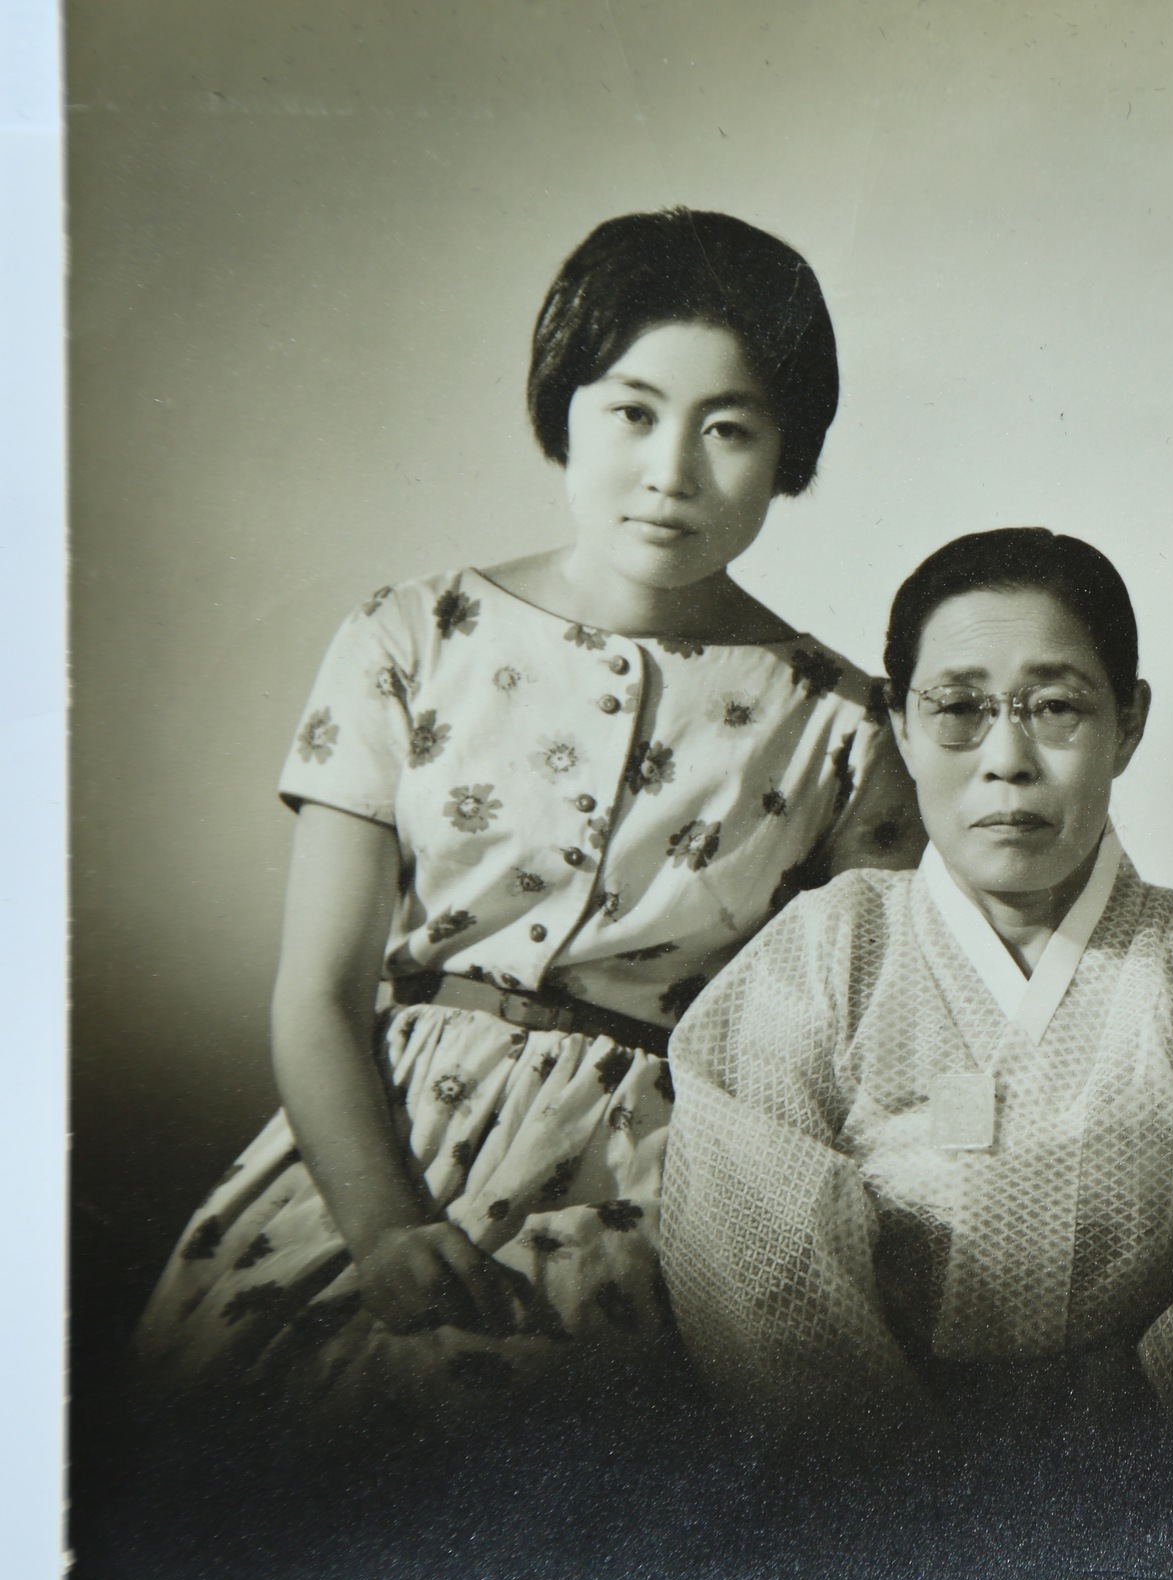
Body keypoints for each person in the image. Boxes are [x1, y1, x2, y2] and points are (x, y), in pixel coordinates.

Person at [128, 208, 922, 1429]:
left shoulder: (844, 725)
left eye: (730, 428)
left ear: (789, 450)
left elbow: (839, 1053)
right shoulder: (412, 633)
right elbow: (318, 994)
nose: (671, 470)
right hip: (374, 1151)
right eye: (632, 410)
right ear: (564, 406)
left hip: (662, 1188)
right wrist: (386, 1225)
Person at [658, 529, 1173, 1444]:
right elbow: (758, 1271)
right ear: (901, 726)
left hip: (1143, 1514)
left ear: (1130, 722)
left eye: (1056, 706)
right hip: (868, 1511)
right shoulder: (823, 954)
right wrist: (903, 1494)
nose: (1007, 757)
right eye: (958, 706)